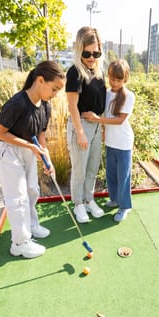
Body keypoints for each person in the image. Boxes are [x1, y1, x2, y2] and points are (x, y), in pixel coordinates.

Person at [0, 60, 65, 258]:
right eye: (54, 88)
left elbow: (41, 135)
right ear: (40, 80)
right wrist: (30, 146)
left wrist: (45, 156)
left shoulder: (45, 106)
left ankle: (32, 225)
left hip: (29, 150)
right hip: (9, 151)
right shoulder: (16, 103)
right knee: (18, 197)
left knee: (32, 190)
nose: (56, 94)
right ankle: (20, 242)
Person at [82, 59, 135, 222]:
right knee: (111, 175)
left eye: (118, 80)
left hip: (124, 143)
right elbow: (107, 115)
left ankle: (124, 207)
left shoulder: (129, 96)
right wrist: (104, 131)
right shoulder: (108, 92)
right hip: (111, 142)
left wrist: (98, 120)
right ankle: (114, 200)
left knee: (123, 176)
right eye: (112, 78)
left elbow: (119, 120)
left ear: (125, 79)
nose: (114, 82)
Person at [66, 26, 107, 223]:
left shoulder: (99, 73)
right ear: (79, 50)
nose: (92, 57)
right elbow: (72, 106)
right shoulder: (75, 72)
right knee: (79, 169)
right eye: (87, 53)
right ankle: (78, 204)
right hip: (80, 125)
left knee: (92, 167)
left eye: (96, 52)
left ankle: (89, 200)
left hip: (97, 127)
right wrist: (80, 132)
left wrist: (103, 127)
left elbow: (102, 104)